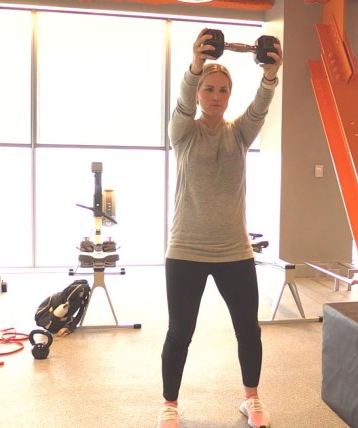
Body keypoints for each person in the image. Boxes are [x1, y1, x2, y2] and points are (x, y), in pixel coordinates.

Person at [156, 28, 283, 428]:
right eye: (208, 89)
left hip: (234, 251)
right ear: (198, 94)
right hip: (186, 251)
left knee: (248, 329)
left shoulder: (239, 134)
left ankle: (252, 399)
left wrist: (270, 75)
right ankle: (169, 404)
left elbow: (259, 109)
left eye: (222, 90)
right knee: (180, 333)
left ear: (229, 95)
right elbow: (179, 104)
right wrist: (194, 65)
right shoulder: (183, 133)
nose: (215, 96)